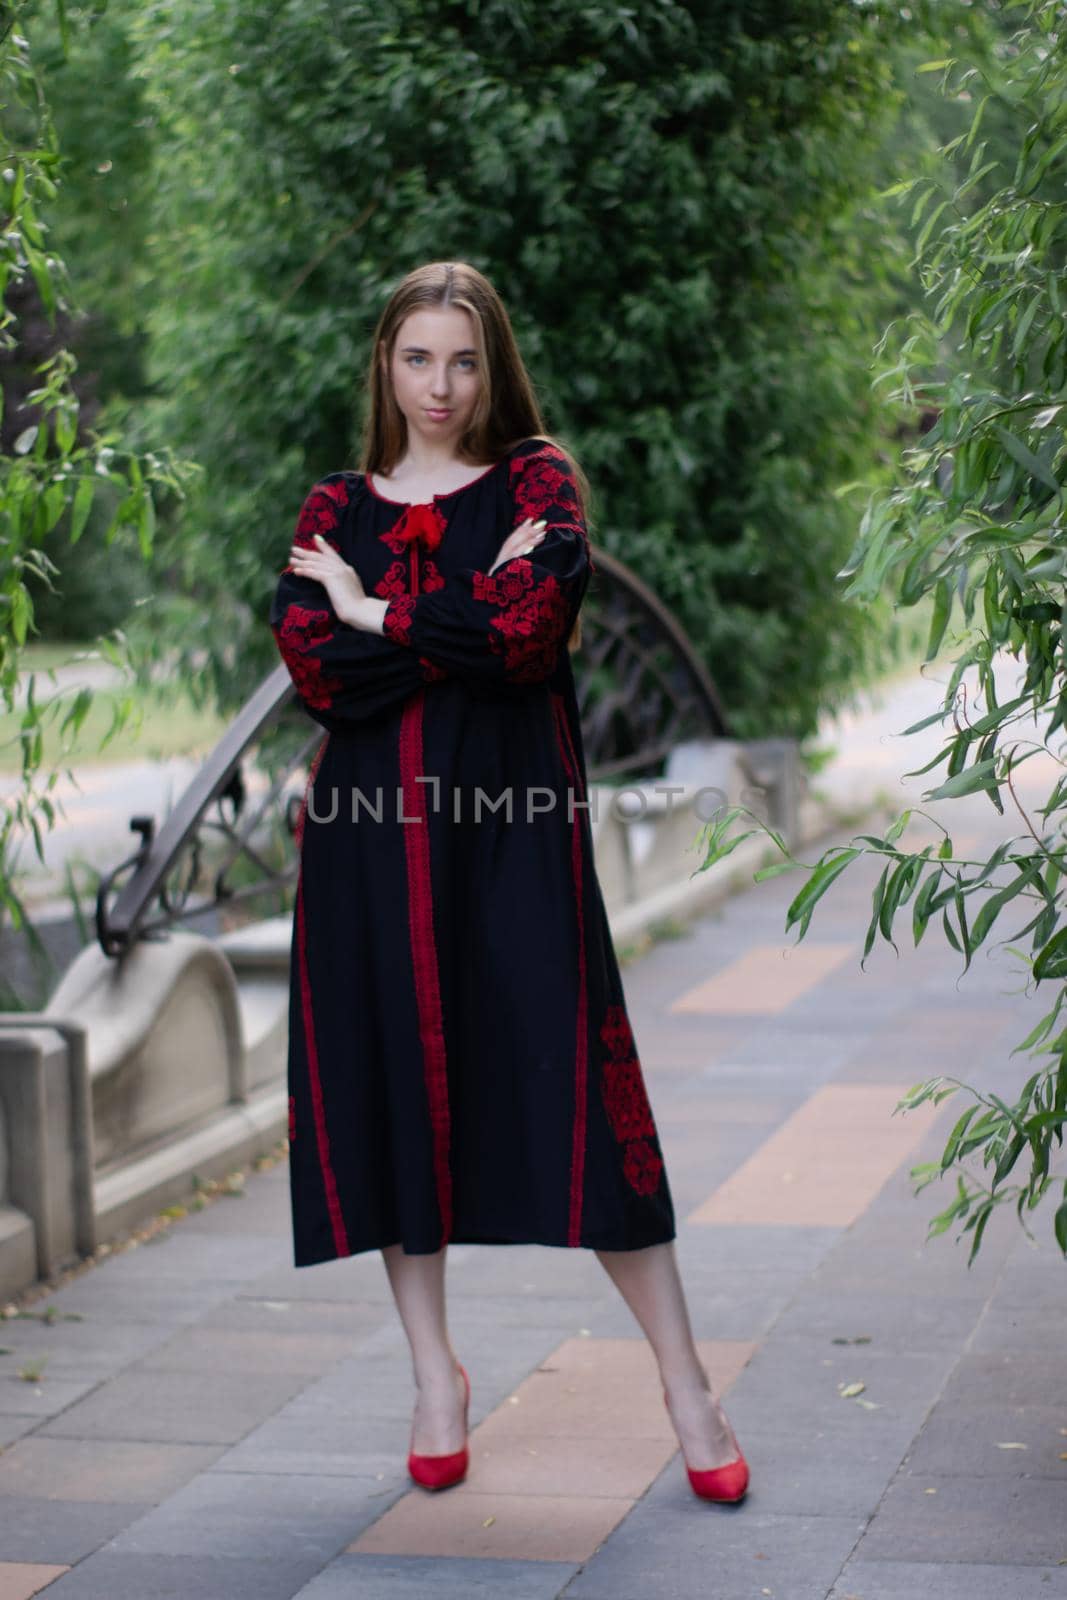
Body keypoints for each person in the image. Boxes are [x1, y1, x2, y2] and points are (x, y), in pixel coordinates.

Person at [269, 260, 748, 1504]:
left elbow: (527, 635)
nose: (440, 385)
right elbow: (322, 675)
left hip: (512, 848)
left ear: (494, 368)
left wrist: (376, 612)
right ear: (384, 363)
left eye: (463, 360)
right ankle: (435, 1374)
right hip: (370, 854)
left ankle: (686, 1384)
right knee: (392, 1105)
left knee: (576, 1099)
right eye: (417, 358)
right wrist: (445, 623)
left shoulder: (539, 481)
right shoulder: (332, 505)